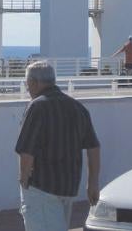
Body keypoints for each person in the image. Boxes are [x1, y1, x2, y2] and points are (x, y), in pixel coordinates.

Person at [15, 61, 101, 231]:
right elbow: (94, 148)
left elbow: (26, 150)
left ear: (34, 82)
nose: (28, 89)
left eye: (28, 84)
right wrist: (92, 184)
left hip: (41, 187)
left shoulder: (37, 106)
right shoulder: (77, 107)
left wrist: (24, 179)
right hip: (68, 187)